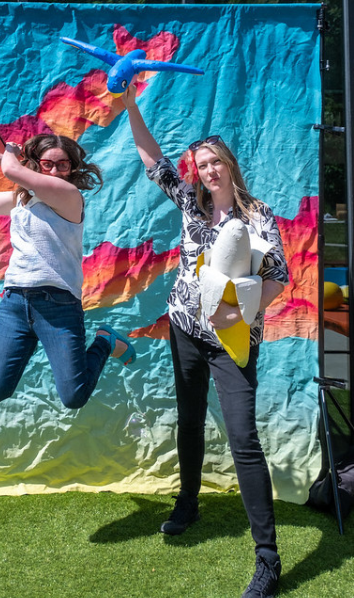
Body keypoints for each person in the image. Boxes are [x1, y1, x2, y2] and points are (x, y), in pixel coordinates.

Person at [122, 85, 288, 598]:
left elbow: (280, 277)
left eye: (214, 162)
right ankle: (188, 503)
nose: (208, 171)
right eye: (201, 165)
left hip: (233, 340)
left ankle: (268, 559)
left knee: (244, 439)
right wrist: (130, 105)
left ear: (229, 165)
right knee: (190, 418)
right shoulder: (191, 204)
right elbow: (153, 160)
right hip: (184, 330)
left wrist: (240, 311)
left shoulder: (259, 215)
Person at [0, 133, 136, 410]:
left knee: (74, 397)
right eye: (47, 164)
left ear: (72, 168)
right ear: (36, 164)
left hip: (58, 306)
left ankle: (105, 342)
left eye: (63, 165)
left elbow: (12, 170)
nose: (56, 171)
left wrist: (8, 152)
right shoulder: (21, 200)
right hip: (15, 304)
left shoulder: (70, 196)